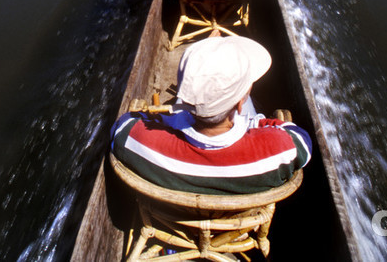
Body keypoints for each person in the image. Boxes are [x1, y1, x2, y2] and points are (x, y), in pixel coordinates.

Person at [110, 36, 312, 194]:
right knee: (255, 115)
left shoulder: (133, 139)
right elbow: (301, 139)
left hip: (172, 219)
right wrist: (254, 123)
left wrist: (167, 120)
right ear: (240, 104)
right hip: (238, 222)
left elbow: (124, 125)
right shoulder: (280, 149)